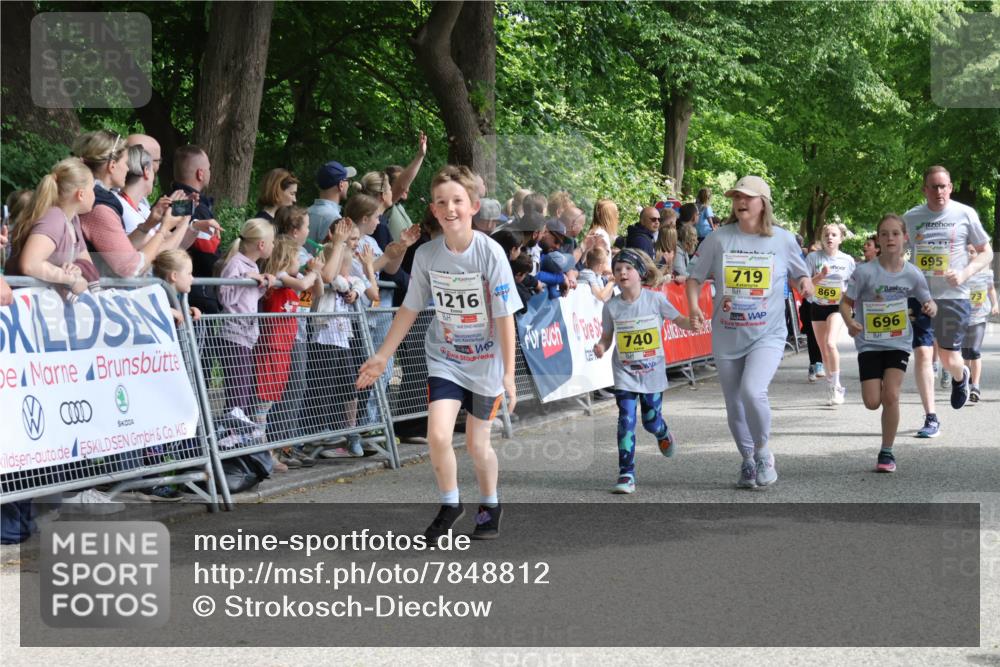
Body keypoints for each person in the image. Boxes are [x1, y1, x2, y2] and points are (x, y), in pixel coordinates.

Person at [356, 165, 522, 542]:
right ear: (433, 209)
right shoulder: (428, 255)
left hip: (486, 362)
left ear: (473, 206)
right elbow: (409, 309)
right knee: (438, 436)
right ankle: (450, 503)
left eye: (458, 202)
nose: (450, 209)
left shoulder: (490, 253)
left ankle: (490, 504)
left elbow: (505, 315)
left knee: (479, 445)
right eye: (442, 202)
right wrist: (383, 355)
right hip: (445, 356)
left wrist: (509, 373)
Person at [686, 175, 813, 489]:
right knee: (734, 403)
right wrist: (693, 307)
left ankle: (764, 452)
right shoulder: (717, 239)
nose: (741, 202)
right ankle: (747, 459)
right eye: (736, 197)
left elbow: (799, 275)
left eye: (748, 197)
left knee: (752, 391)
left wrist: (806, 284)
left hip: (766, 334)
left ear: (763, 203)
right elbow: (693, 278)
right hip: (727, 334)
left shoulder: (783, 240)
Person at [593, 248, 697, 493]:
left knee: (650, 422)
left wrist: (691, 322)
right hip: (624, 373)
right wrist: (600, 346)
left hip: (652, 373)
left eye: (628, 268)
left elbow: (678, 319)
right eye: (618, 270)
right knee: (625, 420)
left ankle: (662, 432)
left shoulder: (655, 299)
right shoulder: (611, 307)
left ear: (640, 273)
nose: (622, 273)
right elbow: (607, 337)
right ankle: (626, 473)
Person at [839, 214, 936, 473]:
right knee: (872, 401)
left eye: (895, 233)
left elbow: (929, 300)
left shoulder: (913, 274)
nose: (890, 238)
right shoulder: (865, 272)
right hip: (869, 343)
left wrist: (930, 306)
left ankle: (887, 452)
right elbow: (844, 304)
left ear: (905, 237)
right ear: (878, 239)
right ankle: (882, 411)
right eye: (885, 233)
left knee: (891, 395)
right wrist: (850, 323)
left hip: (899, 342)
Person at [902, 165, 993, 438]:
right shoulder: (911, 217)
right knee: (922, 354)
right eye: (934, 186)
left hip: (955, 297)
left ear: (950, 187)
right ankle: (930, 417)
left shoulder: (965, 213)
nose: (939, 191)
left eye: (944, 186)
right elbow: (895, 250)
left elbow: (986, 253)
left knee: (949, 357)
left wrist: (965, 272)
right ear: (924, 189)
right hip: (922, 297)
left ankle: (960, 375)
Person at [74, 130, 191, 277]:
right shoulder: (98, 207)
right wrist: (164, 228)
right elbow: (130, 267)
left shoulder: (99, 199)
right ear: (112, 165)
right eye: (125, 162)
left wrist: (146, 226)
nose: (128, 168)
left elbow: (122, 249)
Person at [258, 237, 322, 470]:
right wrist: (313, 272)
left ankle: (270, 451)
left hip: (285, 346)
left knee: (274, 398)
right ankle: (266, 453)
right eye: (297, 258)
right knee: (264, 402)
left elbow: (317, 289)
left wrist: (315, 274)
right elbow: (305, 285)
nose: (301, 262)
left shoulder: (293, 278)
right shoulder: (281, 276)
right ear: (286, 259)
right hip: (272, 346)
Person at [5, 157, 98, 299]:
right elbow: (30, 264)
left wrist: (77, 269)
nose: (95, 194)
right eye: (92, 189)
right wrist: (71, 279)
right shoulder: (53, 217)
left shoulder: (73, 219)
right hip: (26, 307)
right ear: (81, 194)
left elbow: (87, 264)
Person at [218, 218, 276, 438]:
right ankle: (231, 434)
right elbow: (226, 297)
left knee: (244, 386)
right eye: (271, 242)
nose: (273, 247)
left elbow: (249, 297)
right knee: (238, 388)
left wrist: (262, 283)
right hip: (234, 334)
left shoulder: (252, 265)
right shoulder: (236, 264)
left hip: (247, 334)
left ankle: (233, 434)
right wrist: (245, 279)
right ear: (261, 244)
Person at [805, 222, 856, 405]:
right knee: (823, 350)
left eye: (834, 234)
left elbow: (855, 285)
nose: (829, 238)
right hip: (817, 305)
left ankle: (836, 386)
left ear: (840, 238)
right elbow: (806, 285)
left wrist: (849, 296)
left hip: (838, 307)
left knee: (830, 343)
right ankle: (832, 382)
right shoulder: (812, 258)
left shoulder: (847, 260)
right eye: (826, 234)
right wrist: (820, 277)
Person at [171, 144, 224, 314]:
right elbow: (208, 255)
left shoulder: (172, 200)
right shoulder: (194, 207)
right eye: (208, 168)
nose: (210, 172)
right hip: (196, 295)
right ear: (200, 173)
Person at [962, 244, 998, 403]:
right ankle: (966, 377)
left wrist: (995, 304)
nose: (970, 255)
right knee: (965, 353)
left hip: (980, 317)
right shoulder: (960, 273)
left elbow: (990, 289)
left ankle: (975, 386)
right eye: (967, 252)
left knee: (975, 350)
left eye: (973, 252)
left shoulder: (987, 273)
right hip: (961, 318)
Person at [384, 131, 428, 242]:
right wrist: (420, 156)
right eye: (406, 182)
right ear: (389, 186)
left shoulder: (399, 207)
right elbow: (402, 186)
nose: (407, 188)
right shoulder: (384, 205)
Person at [308, 160, 356, 244]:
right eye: (348, 180)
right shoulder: (334, 218)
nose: (349, 184)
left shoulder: (307, 212)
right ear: (341, 184)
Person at [151, 249, 201, 325]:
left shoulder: (179, 296)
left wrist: (189, 311)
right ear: (174, 276)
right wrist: (168, 311)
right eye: (189, 273)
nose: (192, 278)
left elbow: (178, 312)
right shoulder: (156, 294)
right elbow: (149, 310)